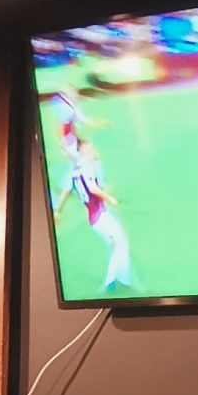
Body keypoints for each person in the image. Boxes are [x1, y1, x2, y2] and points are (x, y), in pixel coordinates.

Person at [52, 125, 138, 294]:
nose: (91, 150)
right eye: (88, 149)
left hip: (95, 218)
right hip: (100, 216)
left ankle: (119, 280)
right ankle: (113, 281)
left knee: (117, 244)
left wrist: (58, 211)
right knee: (121, 242)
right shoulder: (86, 168)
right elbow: (92, 188)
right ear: (82, 153)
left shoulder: (74, 173)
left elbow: (65, 193)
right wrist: (109, 197)